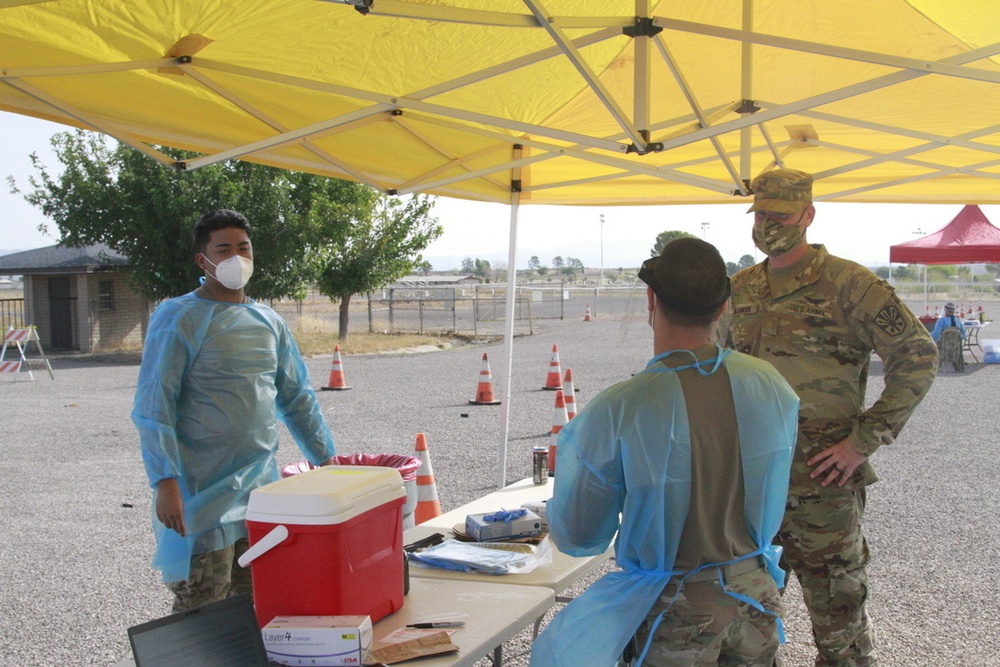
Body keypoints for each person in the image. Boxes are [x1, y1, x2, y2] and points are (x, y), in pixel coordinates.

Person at [530, 238, 800, 667]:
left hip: (675, 610)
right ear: (723, 307)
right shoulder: (769, 384)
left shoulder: (623, 405)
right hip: (756, 596)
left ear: (650, 299)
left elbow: (580, 534)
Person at [726, 169, 938, 666]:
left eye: (778, 214)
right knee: (745, 630)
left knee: (840, 631)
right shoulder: (740, 288)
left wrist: (863, 441)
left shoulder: (850, 284)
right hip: (752, 489)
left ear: (807, 215)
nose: (767, 224)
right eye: (760, 214)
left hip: (823, 489)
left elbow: (918, 357)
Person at [132, 209, 336, 612]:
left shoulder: (268, 321)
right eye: (223, 250)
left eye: (243, 248)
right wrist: (165, 481)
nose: (235, 258)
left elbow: (296, 397)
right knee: (203, 616)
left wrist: (327, 459)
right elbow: (155, 405)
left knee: (255, 608)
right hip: (201, 494)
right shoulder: (179, 318)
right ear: (202, 260)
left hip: (259, 493)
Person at [930, 302, 967, 372]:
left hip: (943, 347)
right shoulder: (958, 321)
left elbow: (936, 334)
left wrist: (929, 335)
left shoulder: (941, 321)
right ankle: (958, 367)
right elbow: (964, 334)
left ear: (946, 311)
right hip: (955, 348)